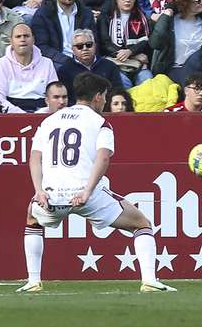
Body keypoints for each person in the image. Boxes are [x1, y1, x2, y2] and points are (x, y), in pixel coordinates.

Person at [20, 71, 176, 293]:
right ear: (98, 96)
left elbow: (35, 157)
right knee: (141, 224)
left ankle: (33, 281)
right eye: (104, 97)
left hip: (51, 196)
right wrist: (86, 192)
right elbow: (103, 158)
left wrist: (38, 190)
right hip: (87, 195)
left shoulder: (48, 121)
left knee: (32, 219)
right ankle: (150, 280)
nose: (104, 101)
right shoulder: (100, 122)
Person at [148, 0, 202, 80]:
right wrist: (165, 16)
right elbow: (155, 43)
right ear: (186, 2)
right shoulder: (171, 21)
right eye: (198, 0)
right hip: (177, 69)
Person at [32, 0, 99, 68]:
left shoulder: (86, 13)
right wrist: (68, 61)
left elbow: (94, 42)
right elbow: (42, 47)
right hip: (57, 62)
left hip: (85, 60)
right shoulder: (43, 14)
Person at [0, 23, 59, 112]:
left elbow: (55, 95)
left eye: (26, 36)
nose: (22, 39)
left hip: (42, 113)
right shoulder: (1, 64)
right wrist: (21, 115)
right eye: (18, 36)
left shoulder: (47, 63)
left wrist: (40, 113)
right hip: (11, 116)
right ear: (11, 41)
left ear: (33, 40)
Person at [99, 0, 154, 88]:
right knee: (123, 85)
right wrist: (131, 53)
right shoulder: (105, 17)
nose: (127, 0)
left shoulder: (142, 17)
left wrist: (130, 52)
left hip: (138, 65)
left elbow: (147, 41)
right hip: (115, 63)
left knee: (149, 83)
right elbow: (105, 44)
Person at [57, 29, 125, 101]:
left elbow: (117, 92)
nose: (85, 48)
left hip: (105, 110)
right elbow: (66, 98)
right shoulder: (64, 71)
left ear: (95, 46)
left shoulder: (110, 66)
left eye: (89, 45)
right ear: (73, 50)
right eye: (80, 46)